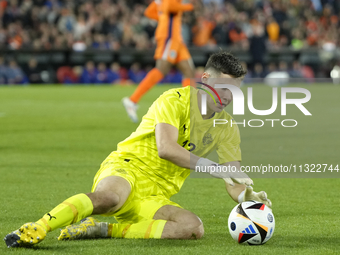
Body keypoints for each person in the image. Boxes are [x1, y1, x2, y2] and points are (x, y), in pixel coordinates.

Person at [4, 52, 271, 248]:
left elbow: (232, 175)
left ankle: (105, 230)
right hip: (128, 167)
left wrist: (246, 196)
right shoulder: (174, 100)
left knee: (193, 229)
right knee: (110, 199)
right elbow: (166, 148)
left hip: (155, 195)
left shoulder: (227, 126)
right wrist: (212, 167)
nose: (227, 97)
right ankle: (39, 226)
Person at [122, 0, 195, 122]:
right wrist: (190, 6)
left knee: (189, 71)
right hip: (169, 37)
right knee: (162, 69)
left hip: (176, 38)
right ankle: (132, 100)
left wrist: (162, 18)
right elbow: (171, 6)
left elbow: (149, 11)